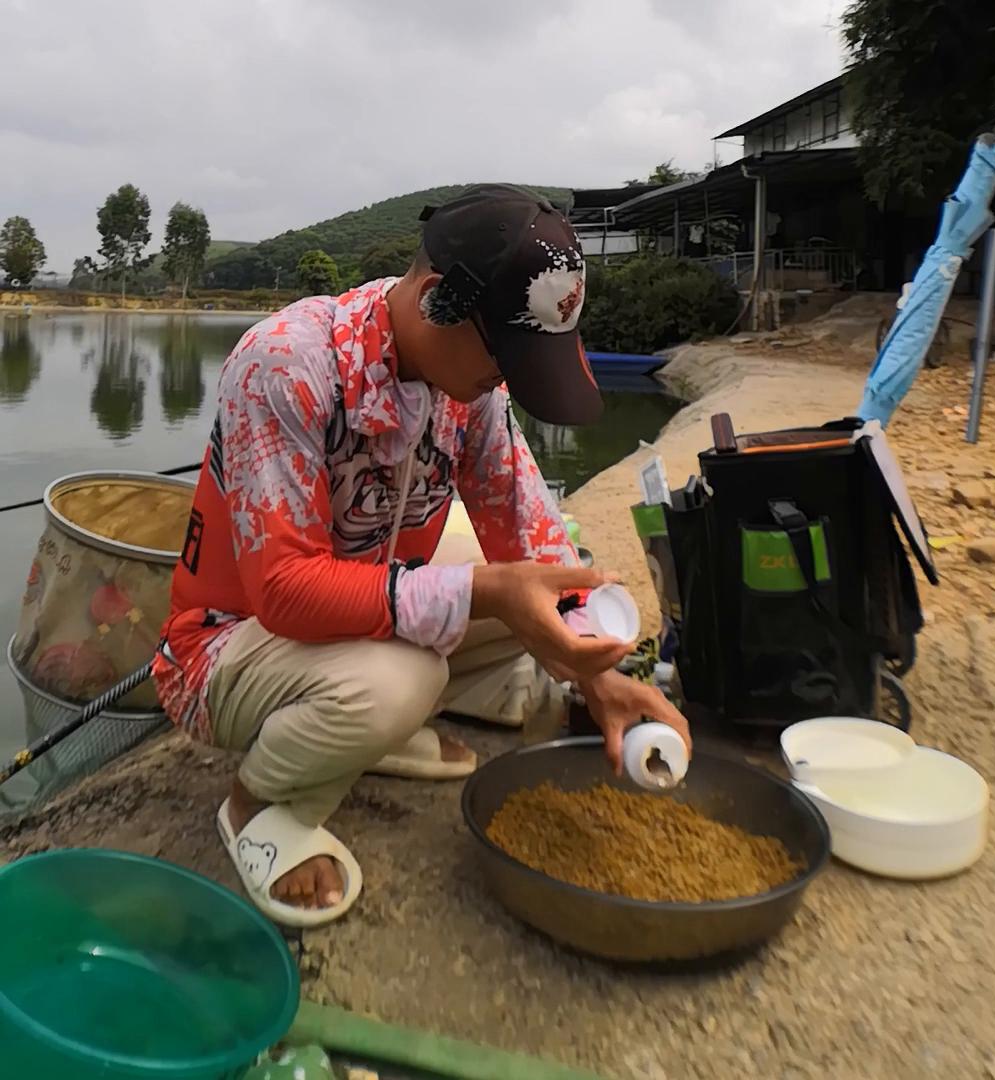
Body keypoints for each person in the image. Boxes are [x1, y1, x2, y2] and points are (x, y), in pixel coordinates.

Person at [154, 184, 691, 927]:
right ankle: (259, 805)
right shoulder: (284, 364)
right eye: (504, 354)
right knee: (412, 668)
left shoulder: (468, 390)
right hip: (227, 645)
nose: (508, 378)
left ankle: (366, 730)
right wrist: (487, 593)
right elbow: (282, 591)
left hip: (353, 610)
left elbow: (528, 533)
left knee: (550, 576)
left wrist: (599, 674)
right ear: (438, 299)